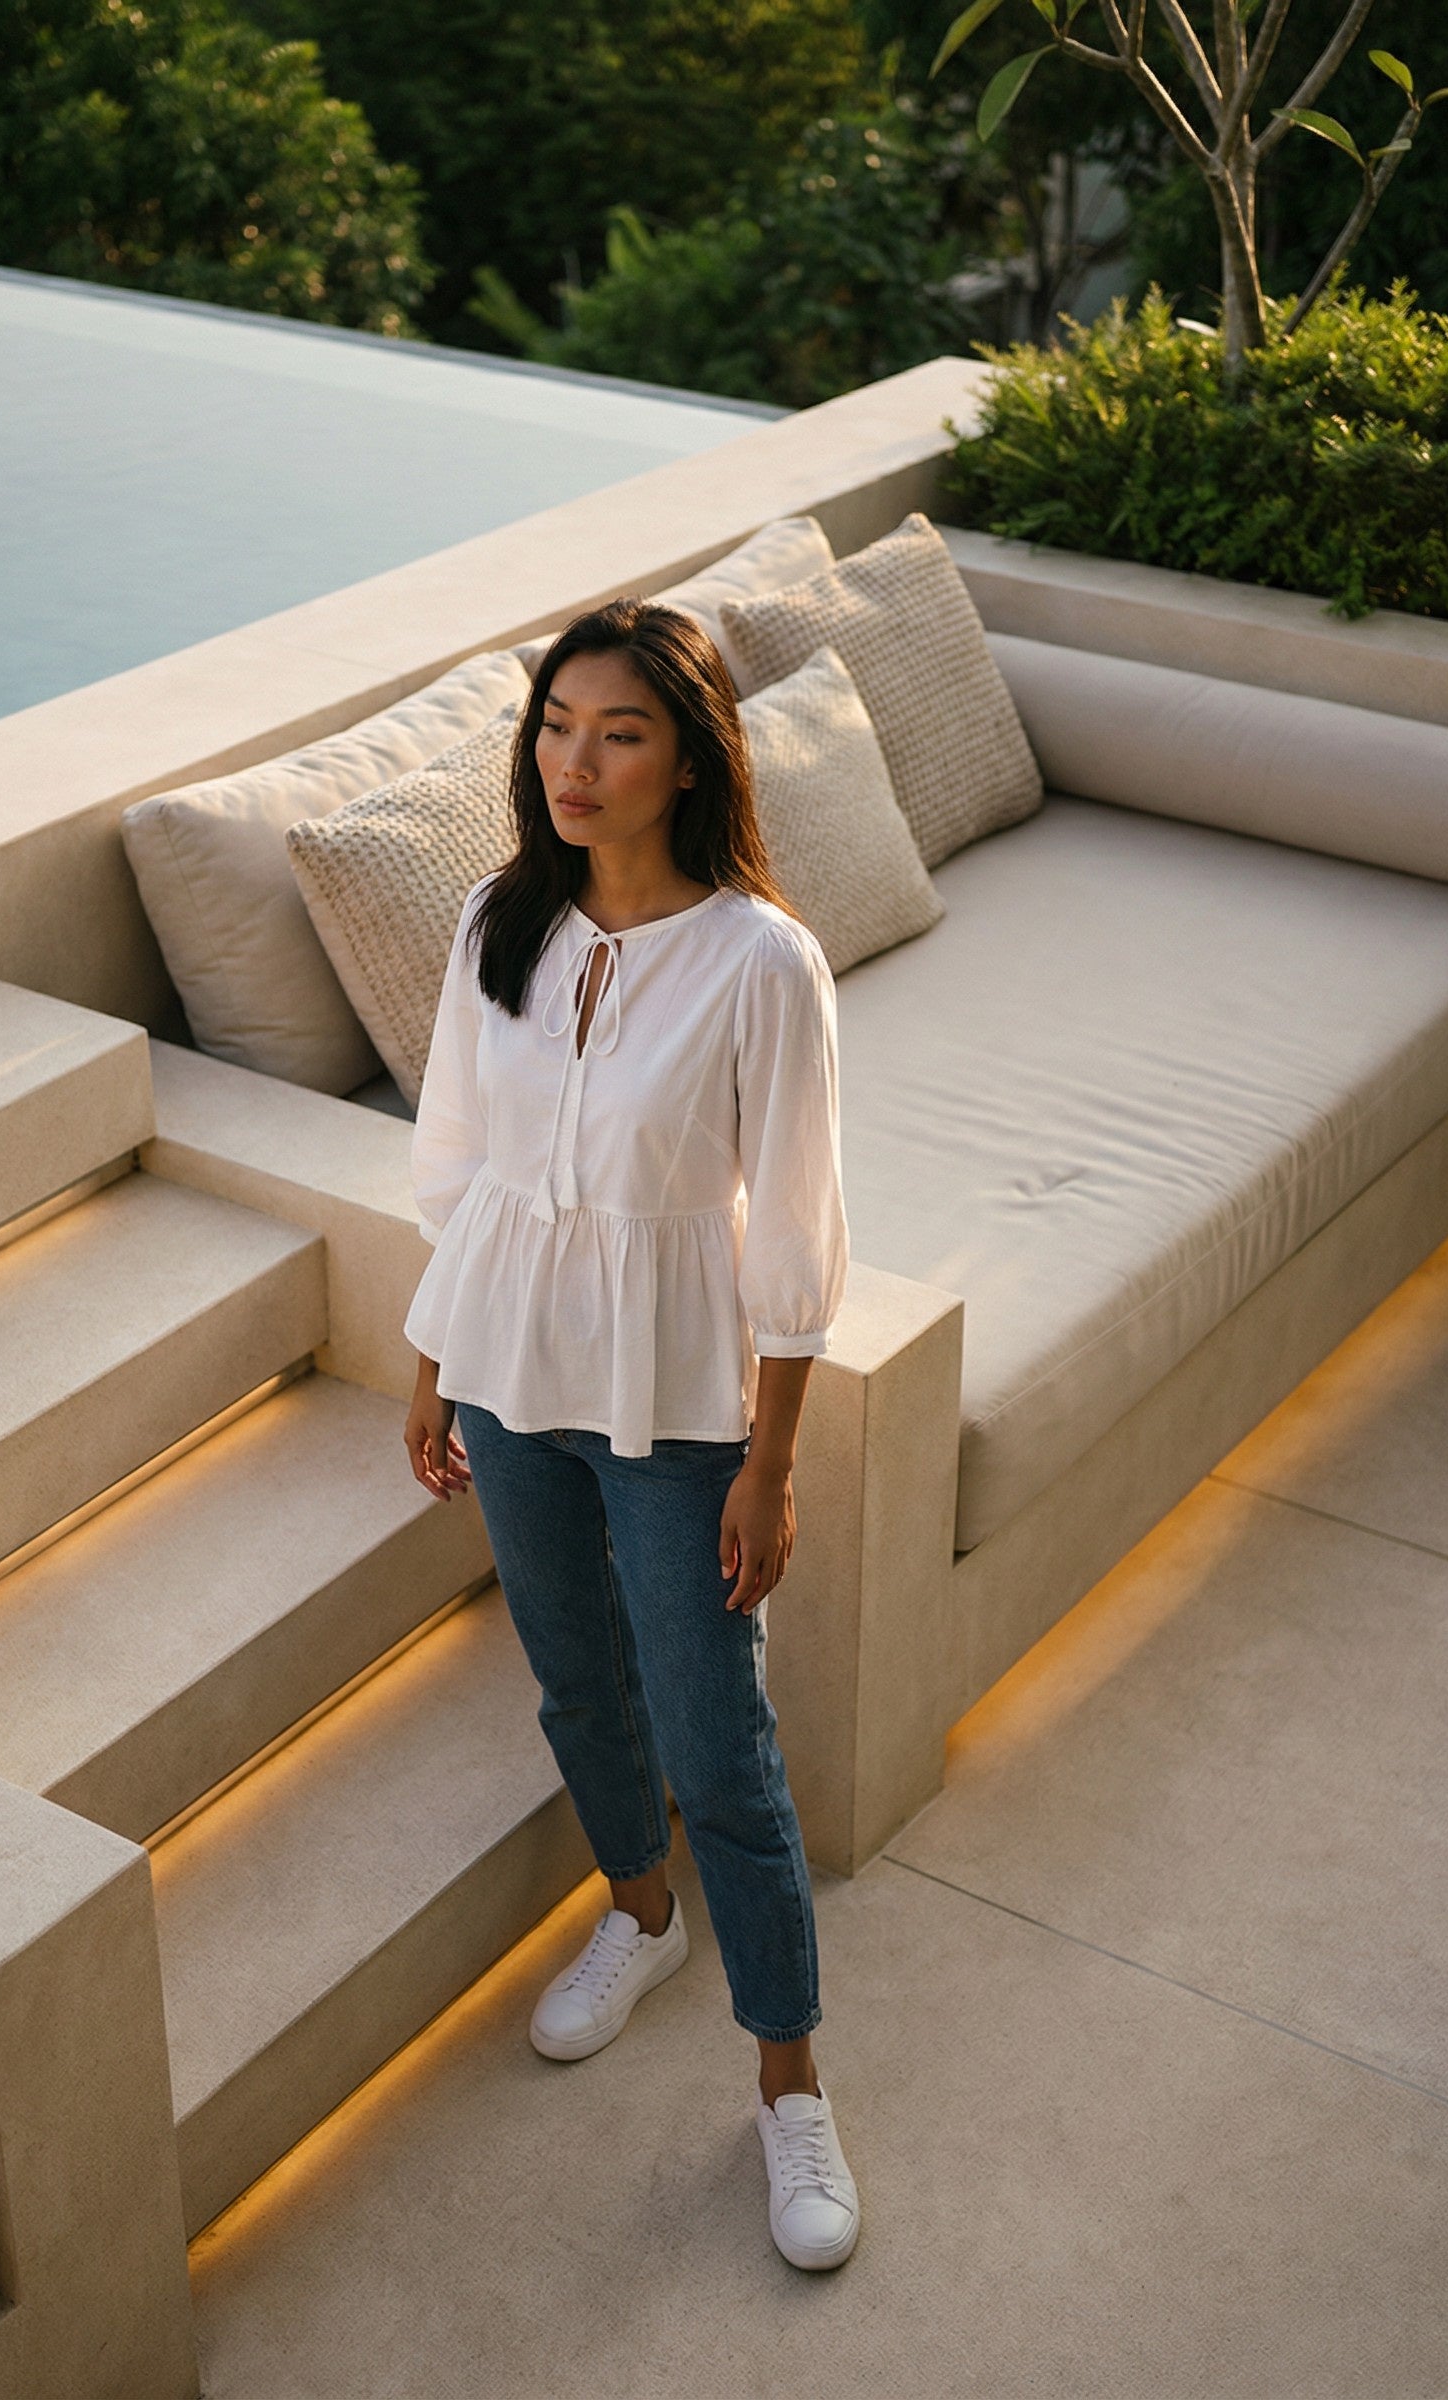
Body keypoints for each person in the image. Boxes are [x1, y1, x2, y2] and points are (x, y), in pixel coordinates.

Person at [402, 597, 857, 2272]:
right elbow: (459, 1165)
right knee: (574, 1677)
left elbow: (795, 1233)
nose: (572, 764)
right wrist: (432, 1356)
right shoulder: (493, 923)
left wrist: (774, 1454)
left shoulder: (759, 961)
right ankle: (637, 1914)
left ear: (689, 758)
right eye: (555, 727)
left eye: (619, 733)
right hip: (506, 1369)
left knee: (716, 1735)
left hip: (677, 1404)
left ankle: (791, 2089)